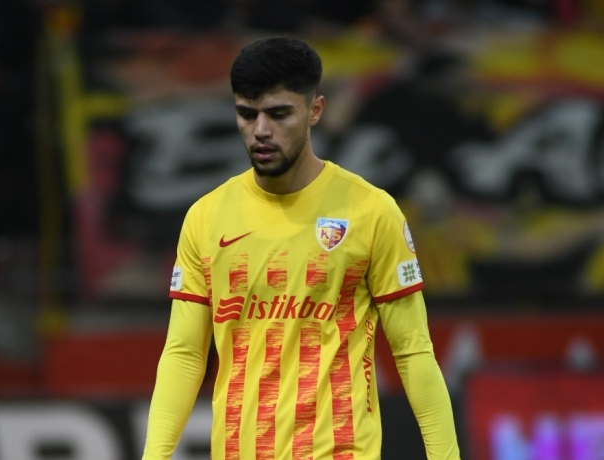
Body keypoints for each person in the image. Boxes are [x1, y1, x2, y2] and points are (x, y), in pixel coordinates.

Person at [143, 36, 461, 460]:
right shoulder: (206, 218)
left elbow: (413, 352)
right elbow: (185, 354)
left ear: (315, 110)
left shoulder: (370, 211)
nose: (261, 130)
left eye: (279, 114)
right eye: (247, 114)